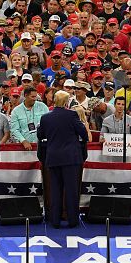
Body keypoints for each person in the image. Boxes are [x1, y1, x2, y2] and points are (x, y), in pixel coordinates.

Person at [37, 90, 88, 228]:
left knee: (55, 190)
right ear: (66, 102)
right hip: (71, 158)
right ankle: (72, 221)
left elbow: (40, 135)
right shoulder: (72, 115)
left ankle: (55, 221)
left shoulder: (45, 118)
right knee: (71, 190)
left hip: (53, 158)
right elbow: (83, 133)